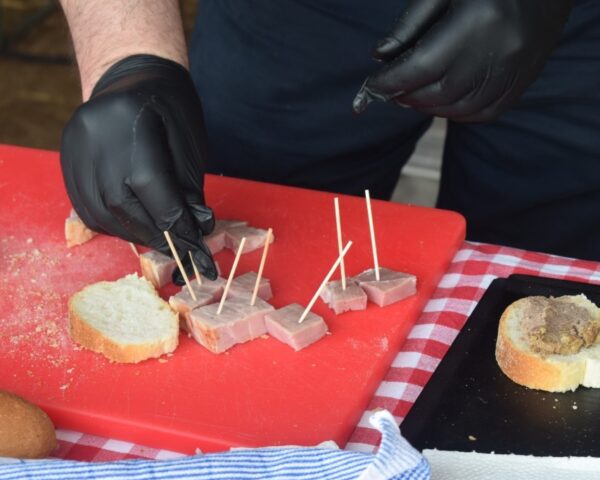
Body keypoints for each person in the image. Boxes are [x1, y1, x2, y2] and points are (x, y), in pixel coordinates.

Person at [58, 0, 600, 283]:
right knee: (230, 243)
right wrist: (126, 60)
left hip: (576, 36)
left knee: (542, 291)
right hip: (294, 22)